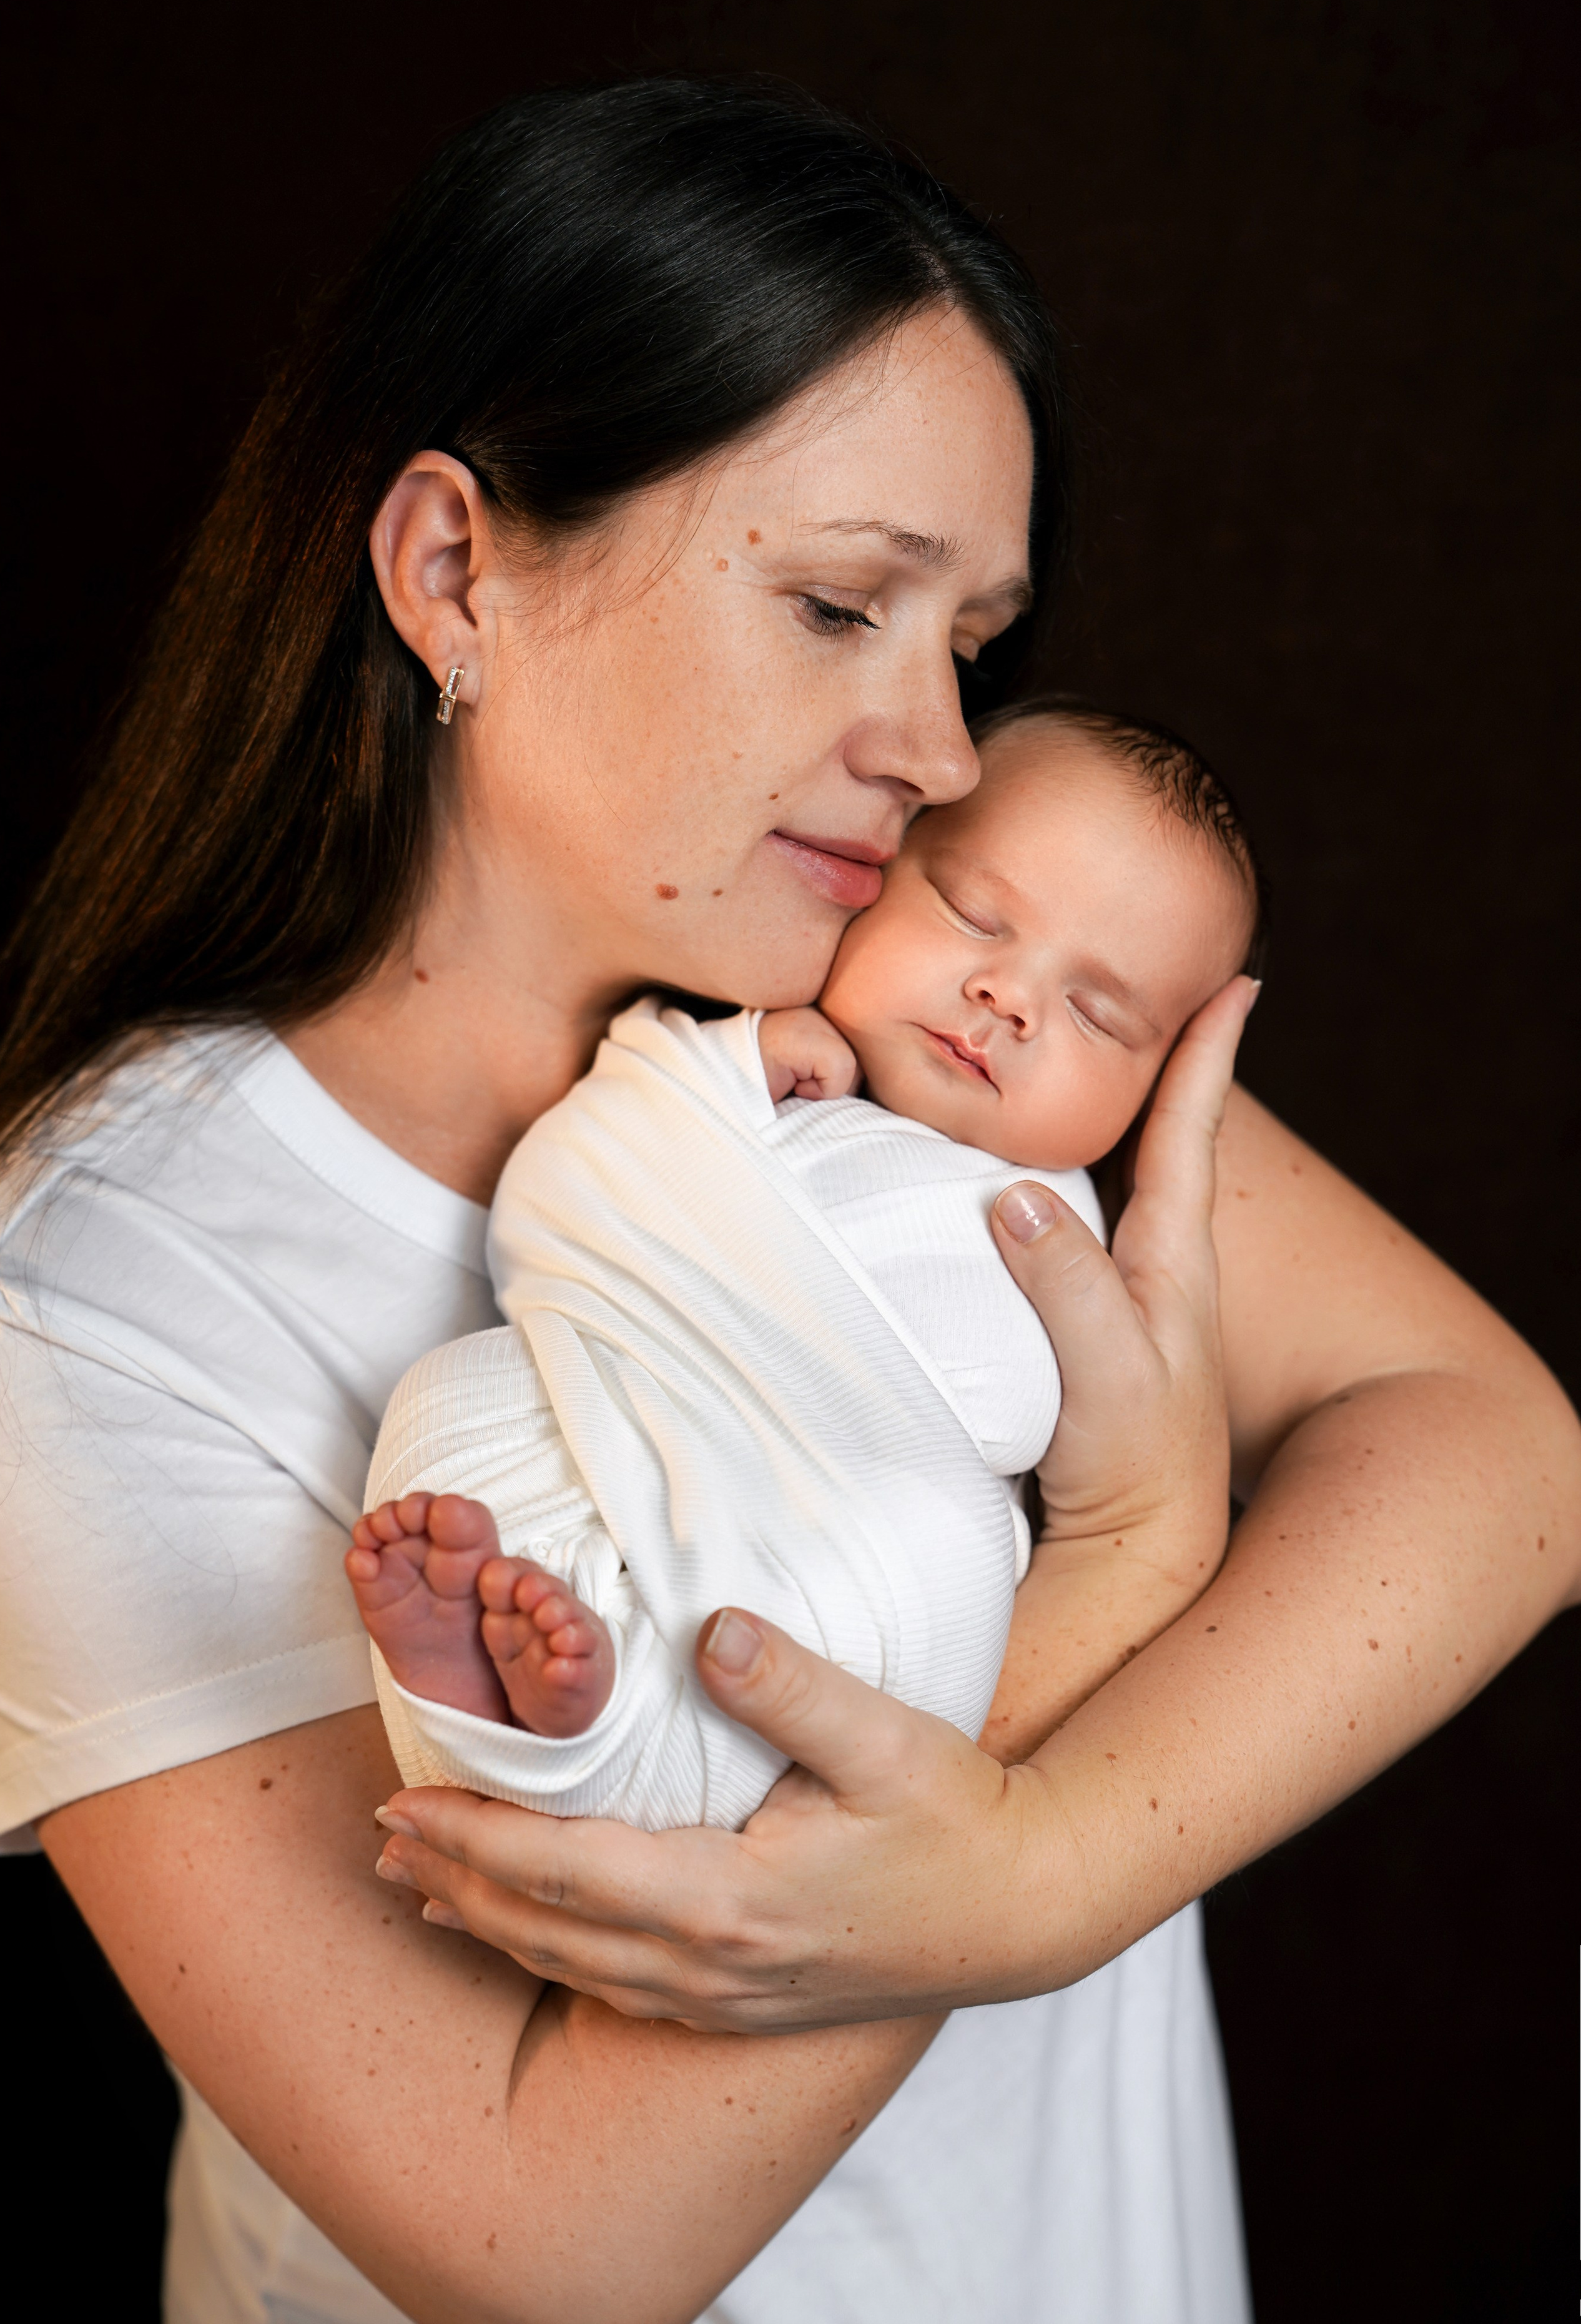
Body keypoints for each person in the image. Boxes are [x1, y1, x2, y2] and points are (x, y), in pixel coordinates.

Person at [0, 78, 1574, 2324]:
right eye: (840, 605)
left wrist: (1051, 1864)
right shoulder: (90, 1300)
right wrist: (1114, 1594)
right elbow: (550, 2239)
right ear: (453, 570)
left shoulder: (913, 1007)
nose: (944, 750)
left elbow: (1500, 1451)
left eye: (970, 645)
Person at [347, 706, 1262, 1841]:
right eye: (973, 915)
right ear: (870, 875)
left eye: (1096, 1013)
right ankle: (509, 1685)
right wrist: (731, 1065)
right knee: (456, 1396)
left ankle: (577, 1713)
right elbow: (581, 1180)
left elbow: (1005, 1406)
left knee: (944, 1567)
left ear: (1157, 1086)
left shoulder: (1056, 1218)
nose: (1010, 998)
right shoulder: (731, 1054)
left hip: (836, 1530)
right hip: (615, 1415)